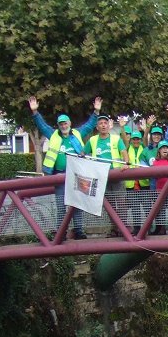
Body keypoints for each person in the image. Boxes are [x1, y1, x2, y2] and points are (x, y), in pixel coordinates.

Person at [28, 95, 102, 239]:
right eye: (61, 124)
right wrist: (35, 112)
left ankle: (78, 230)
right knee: (61, 205)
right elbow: (42, 126)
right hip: (60, 175)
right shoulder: (53, 135)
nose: (63, 126)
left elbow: (89, 125)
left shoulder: (77, 133)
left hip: (77, 174)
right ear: (58, 125)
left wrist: (96, 112)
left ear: (69, 123)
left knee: (78, 204)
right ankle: (61, 232)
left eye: (65, 123)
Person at [84, 114, 130, 237]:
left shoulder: (116, 139)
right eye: (101, 123)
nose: (103, 125)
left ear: (108, 125)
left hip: (116, 174)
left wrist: (126, 163)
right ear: (97, 127)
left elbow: (124, 152)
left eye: (105, 123)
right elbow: (83, 153)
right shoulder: (92, 140)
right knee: (108, 204)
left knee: (121, 202)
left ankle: (123, 227)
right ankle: (114, 228)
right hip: (101, 176)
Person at [124, 131, 150, 235]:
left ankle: (148, 227)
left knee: (147, 207)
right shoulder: (127, 148)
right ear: (131, 140)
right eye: (134, 139)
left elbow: (146, 140)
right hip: (131, 183)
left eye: (138, 139)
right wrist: (121, 127)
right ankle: (137, 228)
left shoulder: (144, 147)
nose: (136, 141)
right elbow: (125, 141)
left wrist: (147, 128)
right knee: (135, 208)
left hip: (143, 182)